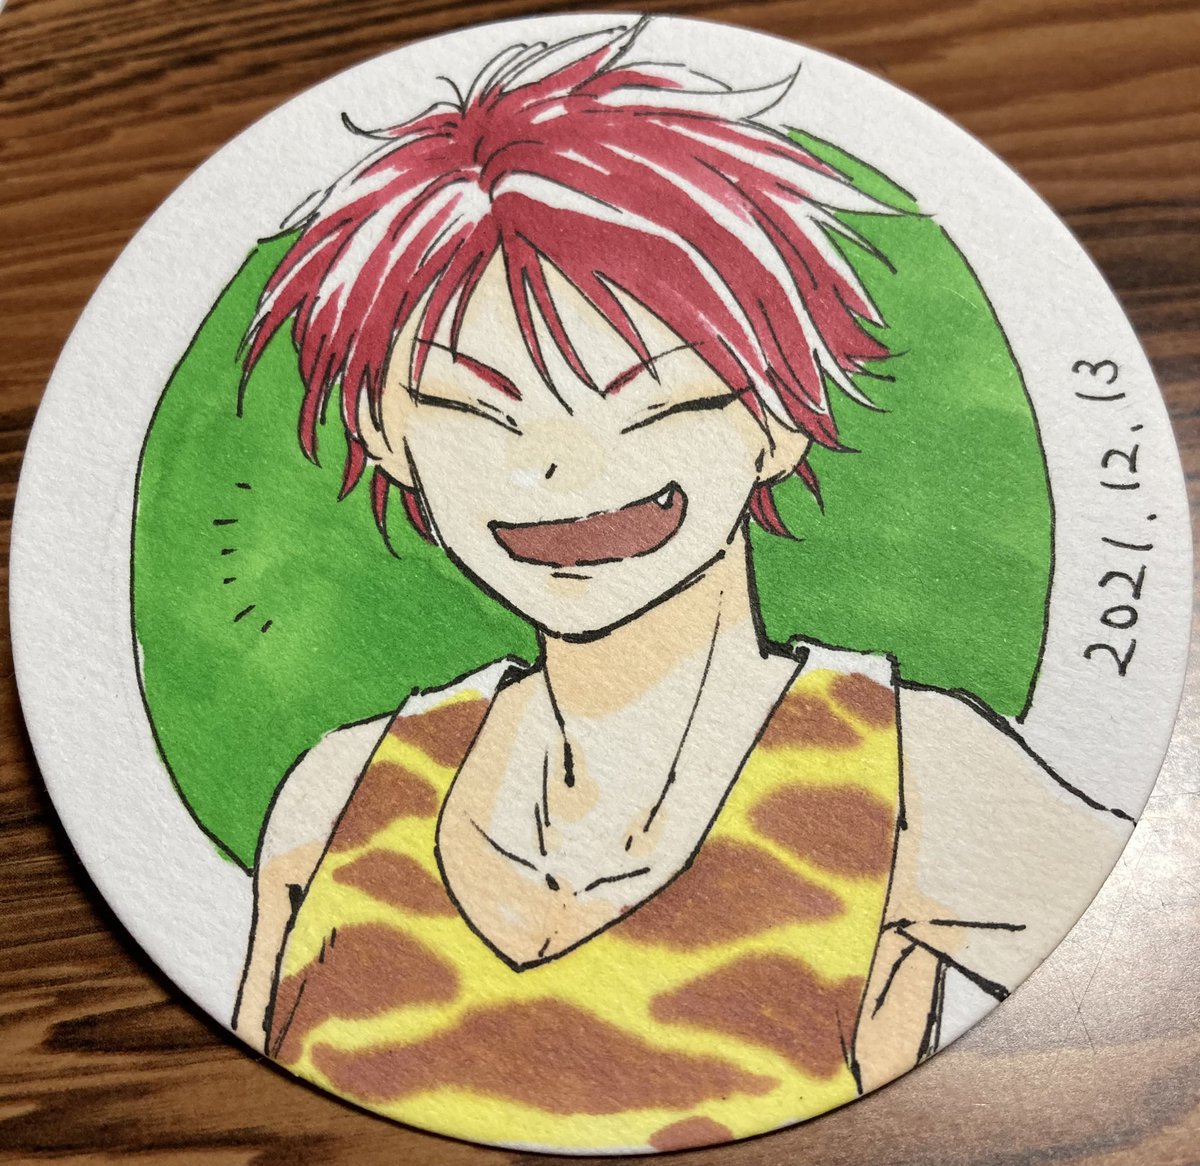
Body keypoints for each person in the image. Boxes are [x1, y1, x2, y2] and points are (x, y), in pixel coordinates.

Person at [231, 21, 1128, 1153]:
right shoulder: (339, 798)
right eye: (473, 407)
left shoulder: (909, 776)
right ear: (384, 431)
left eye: (649, 398)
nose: (558, 467)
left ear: (779, 419)